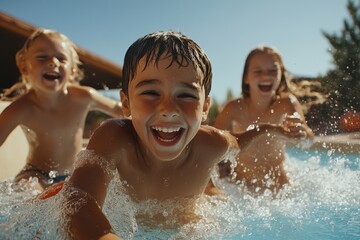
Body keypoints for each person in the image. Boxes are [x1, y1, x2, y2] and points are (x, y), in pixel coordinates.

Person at [54, 31, 308, 240]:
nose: (168, 109)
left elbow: (240, 141)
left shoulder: (213, 143)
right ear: (126, 103)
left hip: (189, 227)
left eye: (186, 95)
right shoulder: (114, 137)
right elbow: (79, 202)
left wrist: (271, 129)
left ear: (205, 107)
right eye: (151, 92)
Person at [0, 29, 123, 191]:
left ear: (72, 69)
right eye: (42, 57)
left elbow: (118, 109)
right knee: (26, 188)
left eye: (61, 58)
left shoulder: (83, 97)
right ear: (24, 67)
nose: (53, 62)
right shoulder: (21, 108)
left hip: (75, 173)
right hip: (37, 173)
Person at [205, 46, 315, 196]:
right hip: (239, 181)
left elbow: (308, 138)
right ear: (246, 78)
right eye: (258, 71)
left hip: (277, 181)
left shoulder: (286, 103)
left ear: (281, 75)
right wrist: (211, 185)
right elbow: (211, 148)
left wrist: (302, 134)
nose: (266, 76)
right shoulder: (233, 108)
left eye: (273, 70)